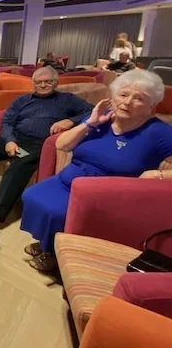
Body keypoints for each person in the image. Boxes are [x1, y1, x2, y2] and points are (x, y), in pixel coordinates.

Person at [20, 70, 172, 271]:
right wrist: (90, 123)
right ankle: (48, 243)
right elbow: (62, 145)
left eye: (139, 99)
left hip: (105, 193)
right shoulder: (101, 118)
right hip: (69, 179)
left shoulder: (160, 132)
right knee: (31, 195)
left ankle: (54, 254)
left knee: (57, 212)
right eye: (123, 94)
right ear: (113, 97)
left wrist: (160, 174)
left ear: (151, 106)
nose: (127, 102)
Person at [0, 67, 94, 236]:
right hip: (15, 137)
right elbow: (7, 121)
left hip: (38, 143)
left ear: (56, 83)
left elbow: (92, 111)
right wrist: (9, 140)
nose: (43, 85)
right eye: (38, 82)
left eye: (47, 82)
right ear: (33, 84)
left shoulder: (67, 100)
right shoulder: (22, 100)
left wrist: (70, 121)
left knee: (18, 166)